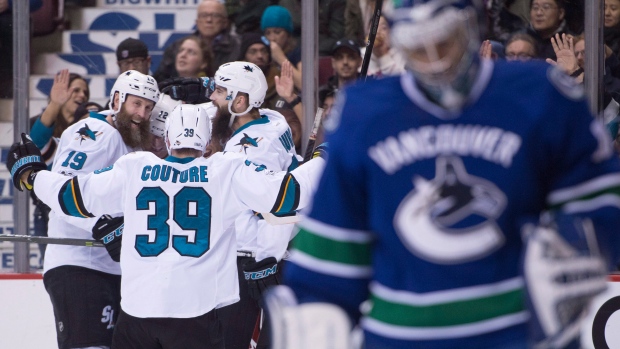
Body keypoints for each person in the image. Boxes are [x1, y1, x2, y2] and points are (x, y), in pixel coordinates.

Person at [279, 0, 620, 348]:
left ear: (470, 26)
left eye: (443, 40)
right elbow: (332, 249)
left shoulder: (540, 93)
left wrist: (576, 249)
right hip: (401, 335)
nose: (433, 59)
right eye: (417, 45)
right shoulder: (362, 112)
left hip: (516, 332)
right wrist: (318, 314)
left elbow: (598, 197)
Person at [6, 103, 325, 349]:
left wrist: (32, 176)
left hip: (136, 317)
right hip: (196, 317)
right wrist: (326, 156)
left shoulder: (135, 167)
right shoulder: (224, 170)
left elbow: (72, 197)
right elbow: (289, 195)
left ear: (168, 138)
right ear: (208, 142)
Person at [27, 70, 159, 349]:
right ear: (117, 99)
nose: (142, 113)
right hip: (79, 263)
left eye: (148, 107)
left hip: (109, 266)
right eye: (136, 104)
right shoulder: (96, 132)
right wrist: (104, 226)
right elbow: (61, 191)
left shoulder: (127, 139)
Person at [206, 61, 303, 349]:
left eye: (219, 91)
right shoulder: (273, 118)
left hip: (255, 262)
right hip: (274, 257)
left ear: (239, 100)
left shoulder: (249, 148)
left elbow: (276, 208)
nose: (212, 97)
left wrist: (264, 261)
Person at [29, 69, 90, 268]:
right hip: (48, 215)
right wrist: (55, 103)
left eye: (85, 92)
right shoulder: (53, 140)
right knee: (53, 272)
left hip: (84, 215)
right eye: (76, 90)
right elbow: (35, 142)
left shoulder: (96, 143)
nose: (82, 95)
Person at [153, 0, 240, 82]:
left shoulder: (238, 46)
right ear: (197, 21)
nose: (209, 20)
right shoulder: (177, 46)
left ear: (225, 22)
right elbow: (161, 79)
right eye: (204, 15)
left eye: (215, 15)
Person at [238, 32, 280, 109]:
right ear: (244, 57)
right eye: (253, 52)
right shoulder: (235, 82)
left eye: (264, 51)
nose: (260, 56)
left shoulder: (279, 81)